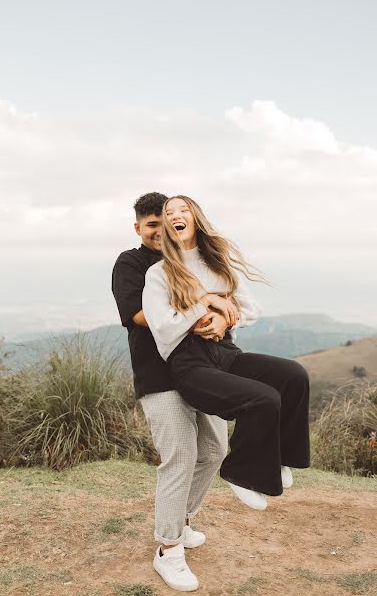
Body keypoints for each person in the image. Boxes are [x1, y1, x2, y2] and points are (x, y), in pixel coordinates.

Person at [142, 195, 310, 589]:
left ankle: (280, 457)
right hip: (188, 362)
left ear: (196, 218)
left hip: (225, 351)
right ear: (165, 227)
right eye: (169, 214)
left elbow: (250, 309)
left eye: (183, 210)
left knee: (292, 376)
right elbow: (163, 327)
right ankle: (240, 473)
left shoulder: (219, 262)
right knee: (261, 399)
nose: (176, 216)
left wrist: (221, 315)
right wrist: (204, 305)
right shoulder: (160, 273)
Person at [112, 193, 240, 593]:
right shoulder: (131, 264)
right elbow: (141, 314)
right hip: (159, 375)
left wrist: (217, 316)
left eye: (163, 222)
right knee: (180, 456)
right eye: (150, 224)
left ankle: (179, 522)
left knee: (215, 449)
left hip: (204, 370)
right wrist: (200, 306)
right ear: (138, 228)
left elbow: (227, 297)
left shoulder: (190, 257)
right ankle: (168, 550)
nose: (158, 230)